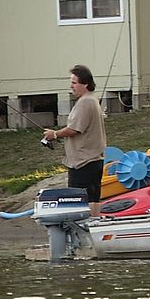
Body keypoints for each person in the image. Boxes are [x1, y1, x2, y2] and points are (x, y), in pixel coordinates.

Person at [44, 64, 107, 211]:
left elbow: (74, 129)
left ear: (85, 84)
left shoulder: (85, 102)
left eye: (74, 82)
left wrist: (54, 134)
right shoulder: (92, 100)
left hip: (83, 161)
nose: (71, 86)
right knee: (93, 197)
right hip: (93, 159)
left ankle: (84, 228)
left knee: (81, 200)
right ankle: (93, 225)